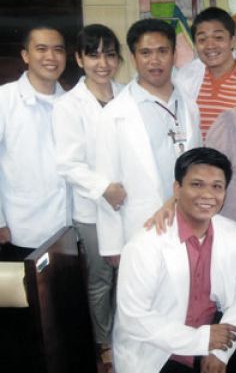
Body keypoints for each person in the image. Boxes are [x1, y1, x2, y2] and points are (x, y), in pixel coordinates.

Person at [147, 38, 236, 371]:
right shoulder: (225, 124)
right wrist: (173, 201)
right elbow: (202, 174)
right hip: (231, 236)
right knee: (224, 306)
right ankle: (218, 359)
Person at [113, 147, 236, 373]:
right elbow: (134, 318)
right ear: (177, 188)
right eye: (197, 184)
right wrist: (202, 340)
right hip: (161, 348)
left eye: (217, 187)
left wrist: (219, 351)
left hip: (213, 334)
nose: (208, 195)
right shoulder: (144, 244)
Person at [94, 19, 201, 262]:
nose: (155, 60)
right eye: (145, 53)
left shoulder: (188, 105)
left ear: (174, 54)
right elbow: (107, 183)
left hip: (186, 221)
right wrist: (113, 246)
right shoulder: (115, 114)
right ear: (133, 57)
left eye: (163, 51)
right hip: (141, 225)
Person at [51, 24, 125, 370]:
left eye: (109, 54)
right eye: (93, 54)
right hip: (93, 208)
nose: (102, 63)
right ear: (79, 59)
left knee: (132, 274)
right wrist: (104, 188)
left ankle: (130, 334)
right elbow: (68, 163)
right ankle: (104, 342)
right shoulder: (69, 106)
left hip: (129, 205)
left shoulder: (128, 95)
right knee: (101, 278)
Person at [0, 24, 69, 259]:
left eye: (58, 50)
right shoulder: (5, 100)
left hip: (69, 230)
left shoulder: (72, 102)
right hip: (20, 230)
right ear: (25, 55)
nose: (51, 57)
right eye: (41, 49)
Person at [175, 7, 236, 138]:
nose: (210, 45)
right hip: (198, 157)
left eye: (218, 37)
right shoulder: (184, 78)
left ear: (232, 40)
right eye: (202, 39)